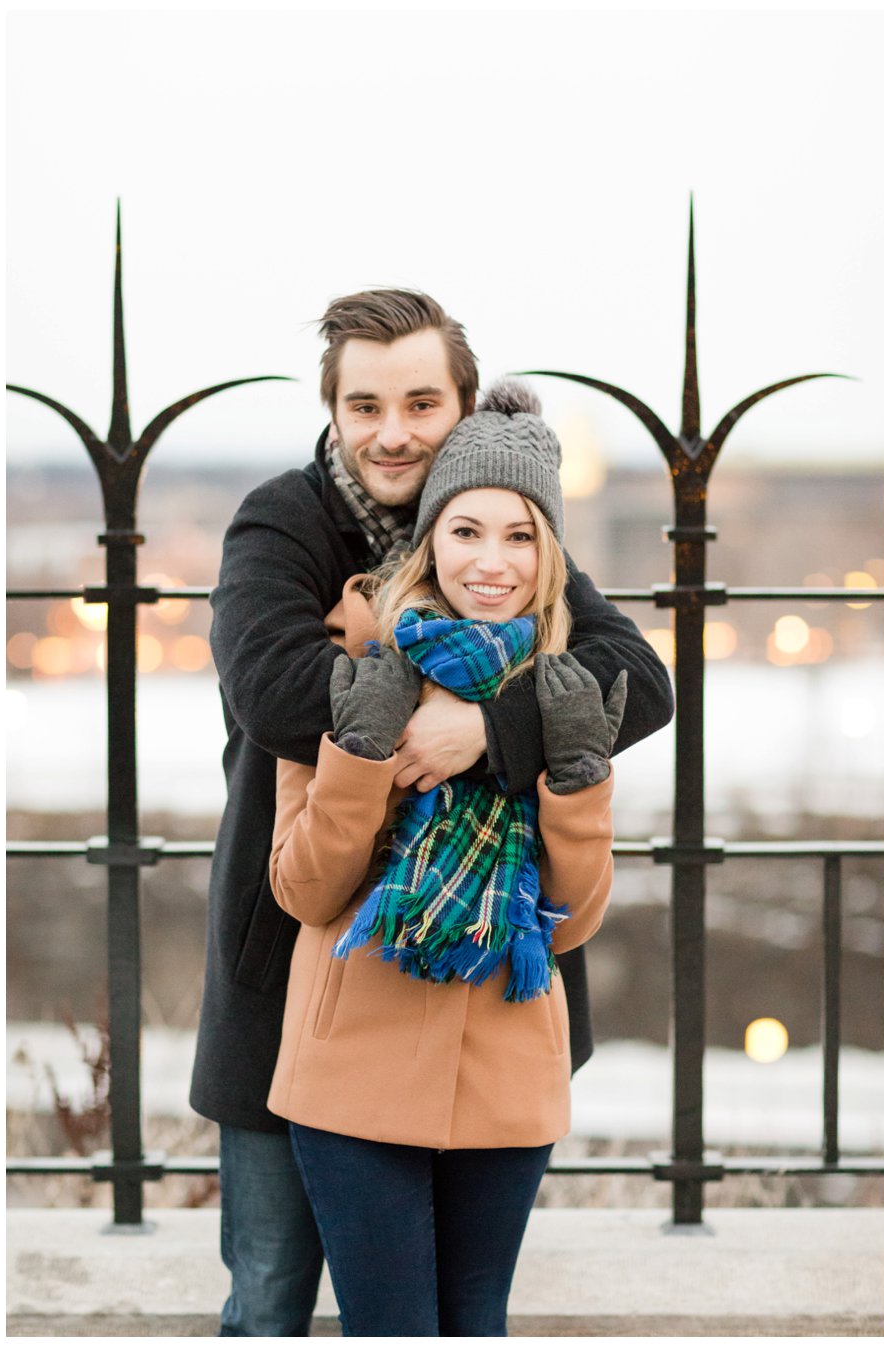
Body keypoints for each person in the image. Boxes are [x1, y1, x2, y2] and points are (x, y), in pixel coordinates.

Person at [190, 291, 671, 1336]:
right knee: (271, 1291)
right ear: (333, 411)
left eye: (419, 401)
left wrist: (485, 730)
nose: (392, 431)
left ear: (462, 406)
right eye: (364, 406)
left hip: (489, 973)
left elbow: (635, 680)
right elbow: (273, 692)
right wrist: (415, 687)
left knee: (461, 1309)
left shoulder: (496, 514)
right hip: (304, 955)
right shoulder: (284, 520)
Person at [267, 379, 613, 1334]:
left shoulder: (566, 681)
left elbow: (574, 917)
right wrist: (359, 754)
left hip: (505, 1067)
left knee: (474, 1321)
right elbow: (304, 887)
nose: (491, 561)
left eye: (520, 535)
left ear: (549, 555)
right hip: (352, 1065)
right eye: (466, 531)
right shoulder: (356, 661)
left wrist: (577, 775)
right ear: (430, 539)